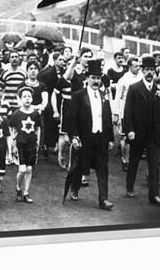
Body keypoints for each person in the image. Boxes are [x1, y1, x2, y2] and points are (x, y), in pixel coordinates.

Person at [64, 59, 114, 210]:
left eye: (98, 78)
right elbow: (71, 118)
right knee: (80, 166)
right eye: (93, 77)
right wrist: (74, 137)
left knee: (102, 168)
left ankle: (103, 199)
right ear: (87, 78)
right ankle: (75, 187)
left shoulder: (104, 95)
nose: (96, 81)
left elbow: (108, 117)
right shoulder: (79, 95)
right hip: (85, 138)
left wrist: (110, 138)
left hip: (101, 138)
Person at [123, 55, 160, 205]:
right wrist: (129, 130)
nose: (150, 73)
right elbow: (127, 111)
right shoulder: (134, 88)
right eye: (147, 69)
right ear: (142, 71)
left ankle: (154, 195)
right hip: (138, 133)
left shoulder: (159, 90)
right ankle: (130, 186)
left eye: (152, 70)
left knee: (154, 164)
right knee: (134, 161)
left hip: (154, 134)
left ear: (155, 72)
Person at [9, 87, 41, 203]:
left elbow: (38, 128)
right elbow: (11, 128)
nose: (27, 99)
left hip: (32, 143)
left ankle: (26, 192)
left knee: (29, 168)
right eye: (24, 96)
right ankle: (18, 188)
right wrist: (13, 143)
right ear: (20, 99)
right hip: (21, 144)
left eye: (29, 96)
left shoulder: (35, 113)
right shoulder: (17, 114)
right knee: (22, 169)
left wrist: (38, 142)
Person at [112, 56, 142, 171]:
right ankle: (125, 160)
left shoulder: (141, 77)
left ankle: (132, 159)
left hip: (138, 112)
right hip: (125, 111)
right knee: (125, 137)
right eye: (136, 66)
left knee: (136, 137)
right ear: (129, 67)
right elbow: (117, 97)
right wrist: (116, 113)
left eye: (139, 66)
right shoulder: (124, 80)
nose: (138, 68)